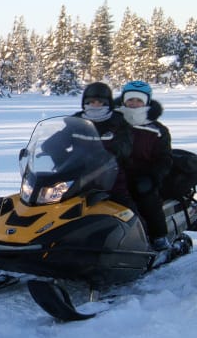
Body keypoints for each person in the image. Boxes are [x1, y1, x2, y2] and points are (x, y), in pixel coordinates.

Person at [117, 80, 174, 250]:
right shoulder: (113, 123)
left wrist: (152, 177)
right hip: (110, 173)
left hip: (142, 176)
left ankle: (159, 238)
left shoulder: (157, 130)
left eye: (139, 100)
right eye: (130, 99)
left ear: (146, 102)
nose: (134, 103)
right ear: (123, 100)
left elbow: (165, 158)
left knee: (147, 198)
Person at [73, 81, 135, 209]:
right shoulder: (76, 121)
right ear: (85, 103)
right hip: (79, 175)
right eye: (91, 102)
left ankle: (141, 228)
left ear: (108, 103)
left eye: (100, 102)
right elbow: (60, 138)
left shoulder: (118, 121)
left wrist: (114, 151)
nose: (95, 105)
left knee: (126, 210)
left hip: (111, 176)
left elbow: (126, 144)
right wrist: (47, 148)